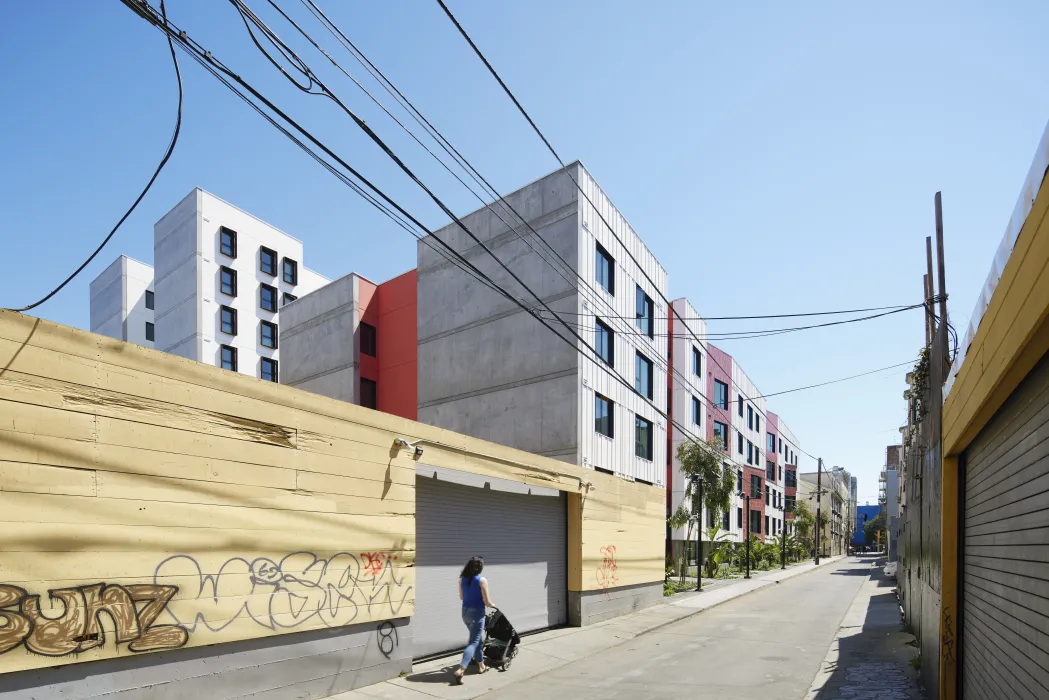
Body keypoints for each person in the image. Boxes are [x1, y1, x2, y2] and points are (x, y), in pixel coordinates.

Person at [454, 556, 493, 683]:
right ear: (480, 567)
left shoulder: (462, 579)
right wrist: (492, 604)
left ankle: (481, 665)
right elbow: (487, 602)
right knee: (473, 642)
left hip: (465, 613)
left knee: (477, 639)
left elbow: (461, 597)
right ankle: (461, 669)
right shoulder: (482, 580)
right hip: (477, 614)